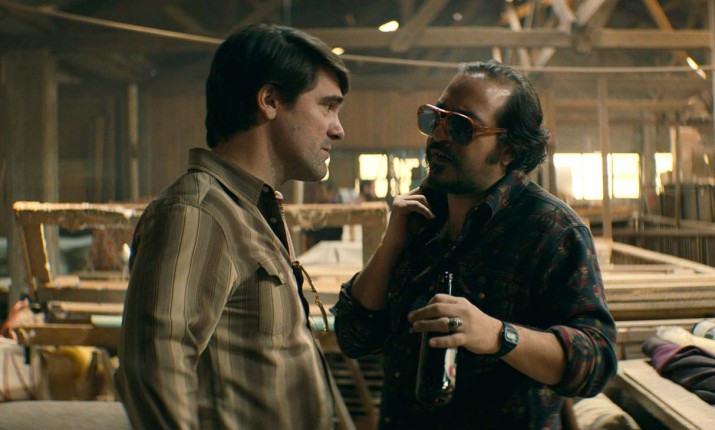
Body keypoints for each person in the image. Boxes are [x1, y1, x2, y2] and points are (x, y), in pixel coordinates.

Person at [331, 61, 617, 429]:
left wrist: (499, 335)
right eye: (435, 119)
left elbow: (597, 362)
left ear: (509, 149)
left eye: (461, 127)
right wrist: (391, 245)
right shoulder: (418, 219)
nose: (438, 137)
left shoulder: (551, 230)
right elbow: (352, 336)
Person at [115, 23, 349, 430]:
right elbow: (154, 371)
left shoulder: (252, 211)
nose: (338, 129)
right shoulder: (199, 212)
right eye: (327, 106)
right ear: (270, 100)